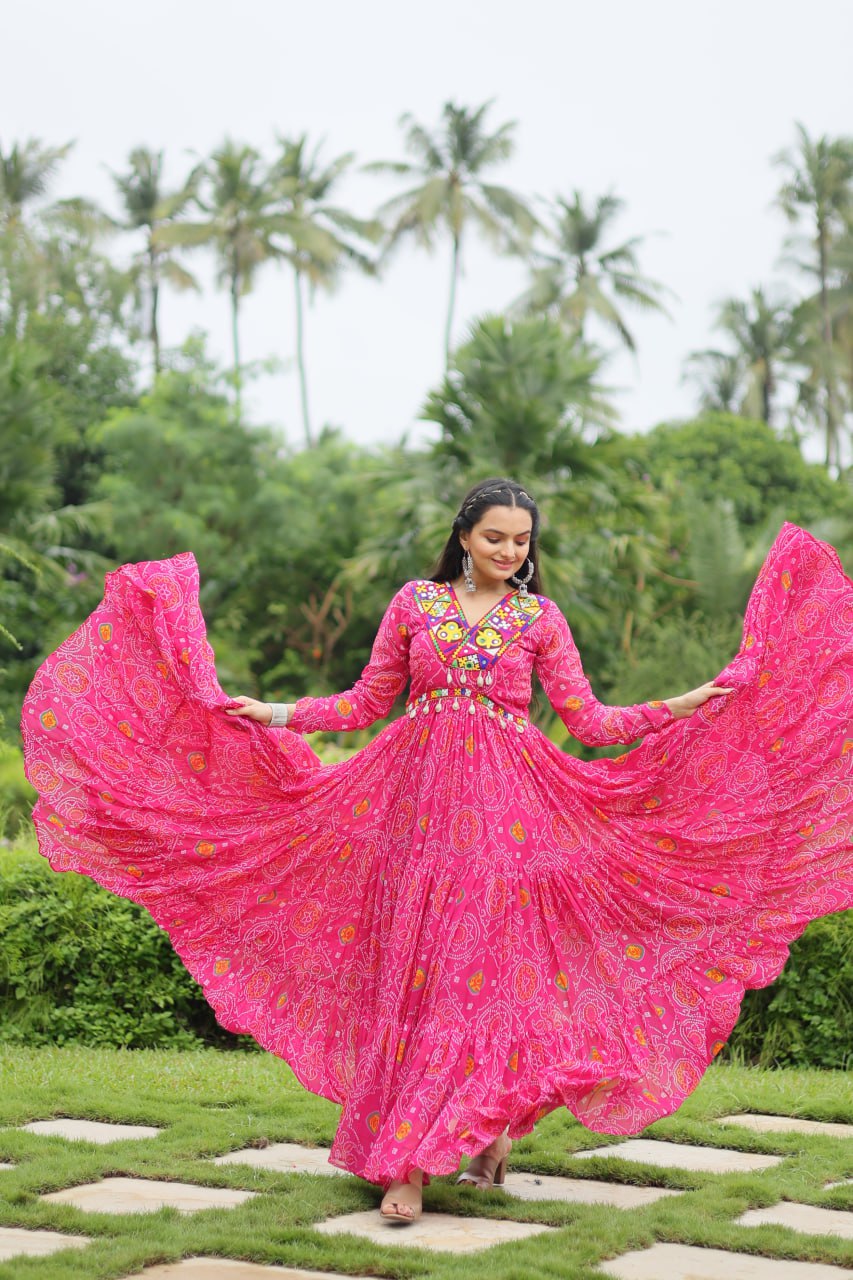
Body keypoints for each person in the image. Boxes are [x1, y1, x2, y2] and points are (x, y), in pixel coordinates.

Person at [21, 477, 853, 1227]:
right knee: (415, 973)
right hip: (411, 814)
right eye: (495, 537)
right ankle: (420, 1154)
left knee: (475, 974)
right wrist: (272, 713)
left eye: (522, 540)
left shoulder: (538, 619)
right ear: (464, 537)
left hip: (508, 820)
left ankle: (440, 1150)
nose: (509, 551)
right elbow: (365, 701)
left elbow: (592, 722)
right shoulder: (416, 604)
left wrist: (687, 701)